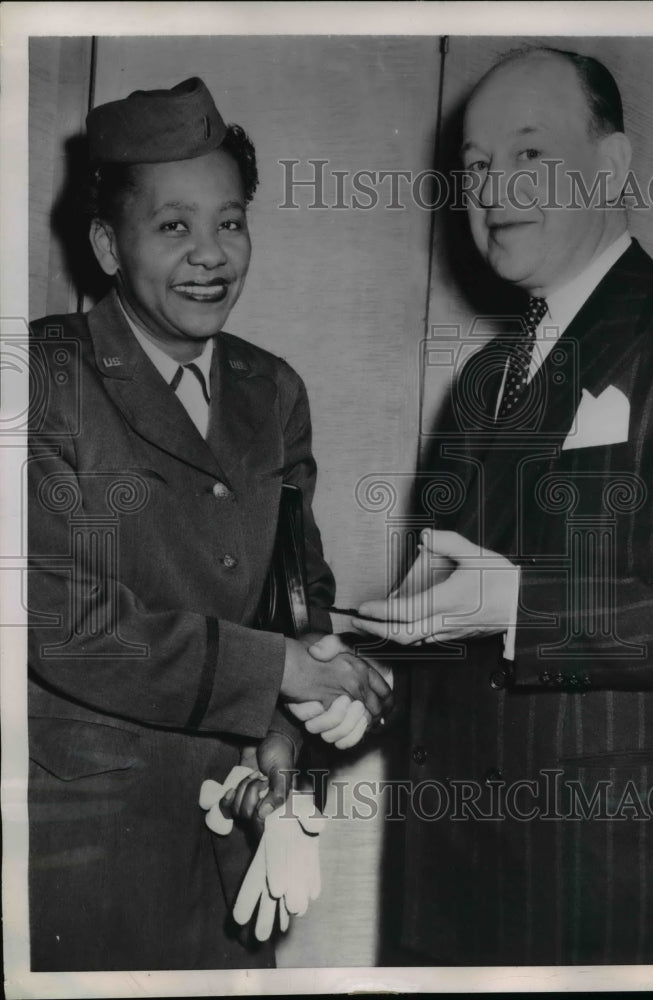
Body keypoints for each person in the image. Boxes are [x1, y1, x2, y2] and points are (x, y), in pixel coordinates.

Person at [343, 47, 653, 965]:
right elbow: (445, 613)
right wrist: (359, 685)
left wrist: (526, 606)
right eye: (475, 167)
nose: (494, 189)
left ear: (613, 166)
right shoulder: (482, 377)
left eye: (529, 155)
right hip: (450, 871)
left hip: (603, 878)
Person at [27, 76, 390, 971]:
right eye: (174, 226)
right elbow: (62, 622)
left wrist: (289, 724)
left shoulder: (273, 391)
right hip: (86, 842)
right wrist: (279, 673)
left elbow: (295, 594)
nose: (210, 256)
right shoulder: (41, 377)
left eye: (230, 222)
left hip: (239, 826)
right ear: (108, 245)